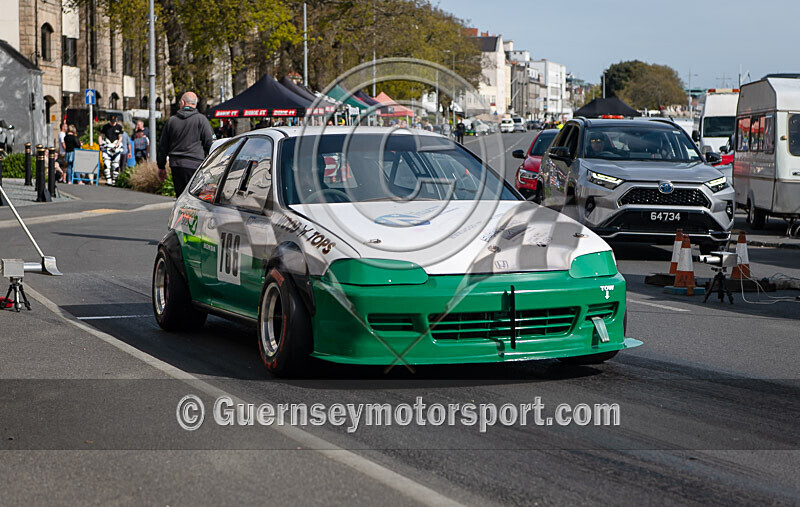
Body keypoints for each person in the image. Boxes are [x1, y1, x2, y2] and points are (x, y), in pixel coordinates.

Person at [157, 91, 215, 197]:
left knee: (180, 196)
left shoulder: (172, 121)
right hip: (195, 163)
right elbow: (210, 143)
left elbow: (163, 146)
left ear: (182, 103)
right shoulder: (201, 120)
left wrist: (161, 166)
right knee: (194, 197)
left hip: (176, 164)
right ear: (195, 104)